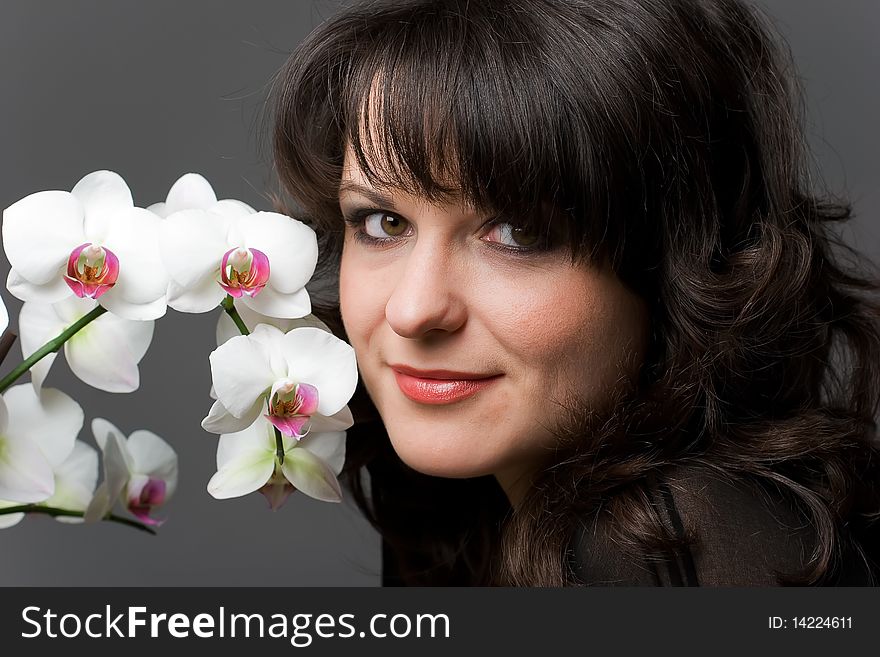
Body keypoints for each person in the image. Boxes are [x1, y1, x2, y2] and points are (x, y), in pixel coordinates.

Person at [269, 0, 880, 585]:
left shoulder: (672, 543)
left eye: (517, 232)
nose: (413, 310)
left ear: (675, 263)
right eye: (383, 223)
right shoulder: (459, 506)